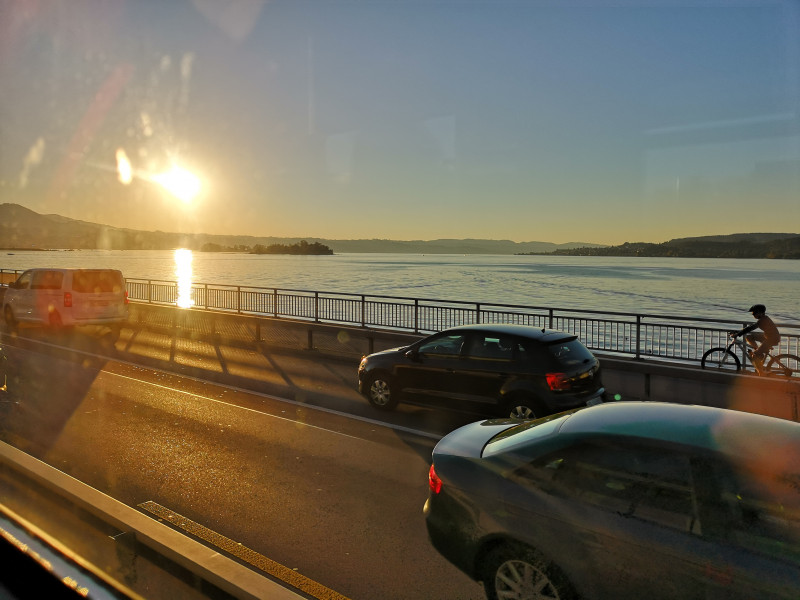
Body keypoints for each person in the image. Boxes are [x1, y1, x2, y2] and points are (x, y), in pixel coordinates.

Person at [732, 304, 781, 372]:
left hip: (771, 339)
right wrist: (739, 332)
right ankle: (759, 352)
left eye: (754, 313)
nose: (753, 315)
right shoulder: (763, 318)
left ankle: (761, 372)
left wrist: (738, 334)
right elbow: (751, 326)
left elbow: (751, 328)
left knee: (755, 356)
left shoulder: (763, 320)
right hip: (768, 337)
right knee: (749, 337)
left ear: (760, 312)